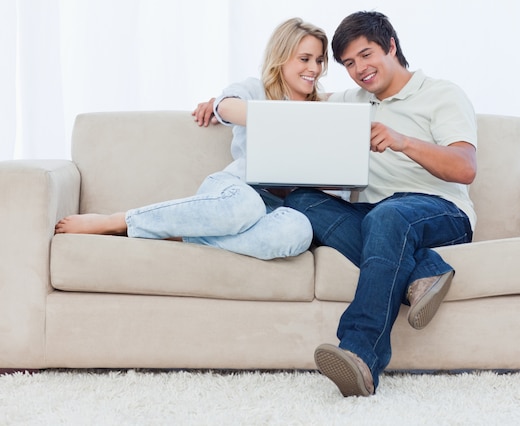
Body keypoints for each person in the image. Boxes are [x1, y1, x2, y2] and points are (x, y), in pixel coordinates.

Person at [283, 11, 478, 397]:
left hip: (441, 211)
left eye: (366, 55)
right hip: (379, 217)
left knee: (387, 216)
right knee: (303, 199)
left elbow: (465, 168)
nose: (360, 70)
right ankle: (424, 270)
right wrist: (224, 102)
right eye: (349, 64)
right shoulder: (352, 101)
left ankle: (360, 355)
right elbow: (290, 98)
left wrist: (403, 141)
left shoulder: (442, 94)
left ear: (391, 46)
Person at [55, 18, 329, 261]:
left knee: (298, 232)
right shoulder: (256, 89)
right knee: (246, 207)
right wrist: (289, 118)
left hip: (277, 208)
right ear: (281, 58)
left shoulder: (324, 109)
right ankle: (119, 221)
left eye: (319, 60)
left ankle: (181, 234)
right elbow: (225, 106)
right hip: (235, 191)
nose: (314, 68)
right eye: (304, 59)